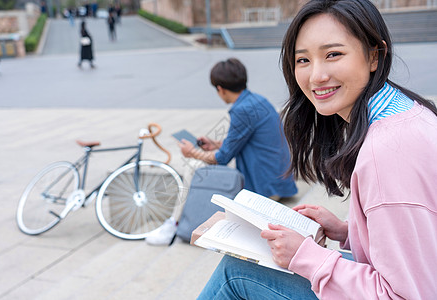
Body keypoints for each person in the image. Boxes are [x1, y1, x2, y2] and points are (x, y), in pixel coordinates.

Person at [198, 0, 437, 299]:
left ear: (374, 55)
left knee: (234, 275)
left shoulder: (387, 151)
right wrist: (347, 230)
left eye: (333, 54)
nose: (316, 76)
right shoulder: (407, 112)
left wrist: (306, 257)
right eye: (303, 60)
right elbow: (419, 237)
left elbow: (405, 294)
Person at [145, 58, 298, 246]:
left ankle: (172, 225)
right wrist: (216, 144)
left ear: (220, 89)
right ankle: (175, 222)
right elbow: (243, 141)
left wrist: (192, 152)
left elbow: (222, 159)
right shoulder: (257, 100)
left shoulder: (242, 110)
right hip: (279, 181)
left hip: (264, 189)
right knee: (200, 163)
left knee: (194, 166)